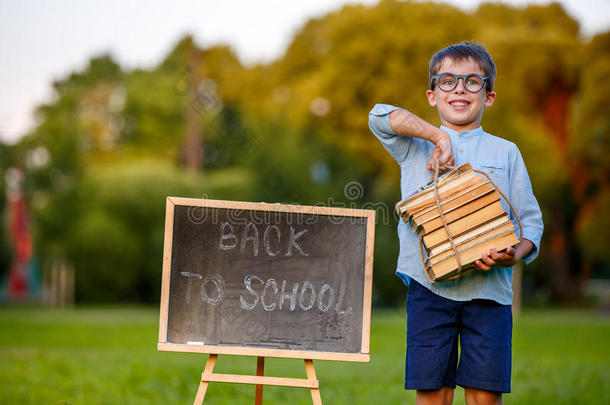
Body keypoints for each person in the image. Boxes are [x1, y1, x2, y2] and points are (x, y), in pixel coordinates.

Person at [368, 42, 544, 405]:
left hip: (490, 293)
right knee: (433, 394)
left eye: (472, 82)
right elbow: (378, 116)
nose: (460, 88)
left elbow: (530, 223)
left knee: (484, 397)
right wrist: (437, 136)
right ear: (432, 96)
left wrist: (514, 255)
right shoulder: (413, 147)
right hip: (429, 291)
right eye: (447, 81)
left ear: (489, 96)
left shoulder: (506, 152)